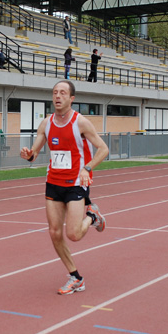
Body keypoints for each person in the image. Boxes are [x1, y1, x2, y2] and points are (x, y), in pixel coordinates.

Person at [20, 80, 108, 295]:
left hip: (76, 184)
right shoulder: (46, 124)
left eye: (62, 93)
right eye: (55, 92)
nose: (57, 96)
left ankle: (92, 217)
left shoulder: (82, 123)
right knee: (54, 232)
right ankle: (75, 277)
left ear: (71, 98)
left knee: (74, 234)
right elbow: (35, 153)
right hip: (53, 182)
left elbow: (103, 149)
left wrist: (87, 168)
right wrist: (28, 155)